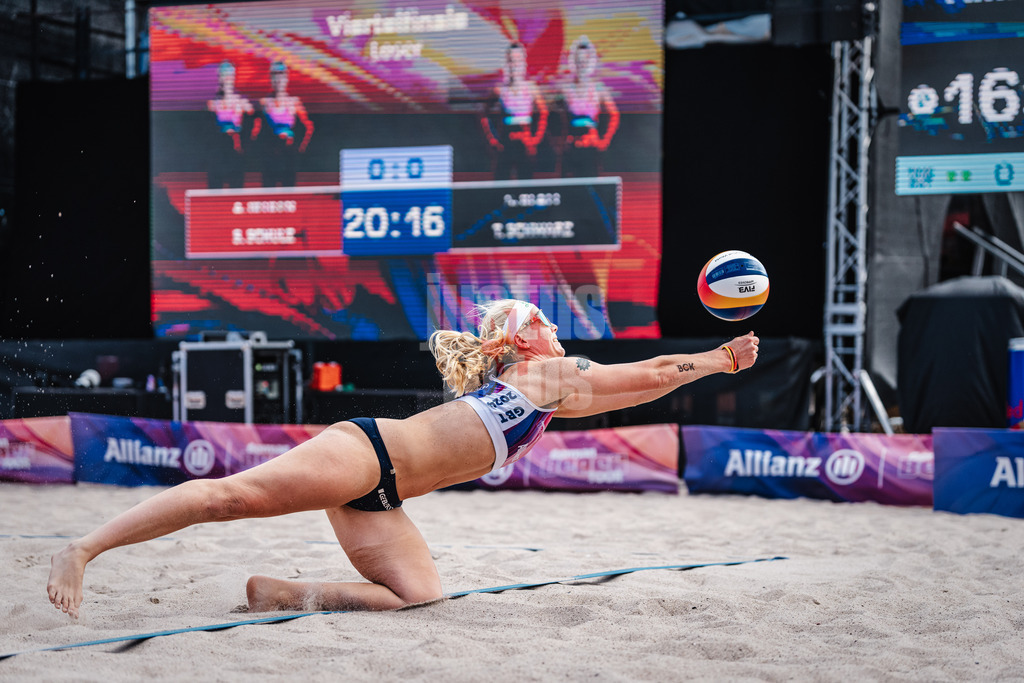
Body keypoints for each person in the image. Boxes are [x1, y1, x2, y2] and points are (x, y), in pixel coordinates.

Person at [47, 299, 759, 618]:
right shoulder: (549, 375)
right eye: (539, 319)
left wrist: (709, 361)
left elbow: (644, 379)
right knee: (224, 497)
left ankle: (284, 594)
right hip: (364, 452)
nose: (551, 323)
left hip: (383, 494)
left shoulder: (549, 386)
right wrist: (719, 359)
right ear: (522, 341)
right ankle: (81, 548)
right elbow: (654, 373)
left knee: (422, 598)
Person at [480, 42, 549, 180]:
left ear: (524, 63)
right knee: (502, 181)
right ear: (507, 64)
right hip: (506, 142)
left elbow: (544, 112)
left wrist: (536, 138)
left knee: (526, 181)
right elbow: (483, 115)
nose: (515, 65)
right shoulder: (499, 90)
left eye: (518, 61)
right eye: (511, 61)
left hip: (526, 142)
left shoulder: (531, 88)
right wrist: (493, 140)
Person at [557, 36, 619, 178]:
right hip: (570, 146)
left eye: (585, 61)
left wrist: (605, 139)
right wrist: (558, 142)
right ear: (573, 62)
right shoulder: (565, 90)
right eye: (579, 61)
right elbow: (555, 118)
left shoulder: (598, 89)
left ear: (591, 62)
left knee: (591, 187)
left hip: (591, 146)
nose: (582, 65)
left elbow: (614, 114)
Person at [252, 60, 314, 187]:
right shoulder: (263, 103)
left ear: (287, 78)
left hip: (289, 156)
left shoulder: (294, 102)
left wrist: (299, 149)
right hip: (270, 157)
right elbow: (255, 133)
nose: (278, 79)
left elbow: (308, 127)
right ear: (270, 78)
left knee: (288, 191)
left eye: (281, 75)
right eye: (274, 75)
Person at [206, 61, 254, 189]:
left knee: (236, 187)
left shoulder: (242, 102)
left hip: (236, 148)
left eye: (230, 75)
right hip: (218, 149)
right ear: (219, 77)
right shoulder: (211, 103)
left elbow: (255, 121)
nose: (227, 78)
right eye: (223, 75)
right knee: (215, 187)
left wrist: (245, 143)